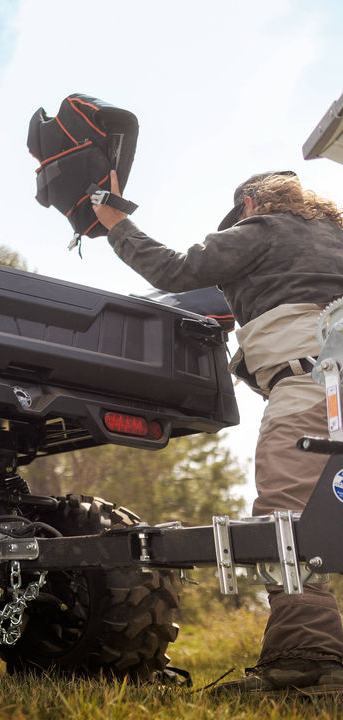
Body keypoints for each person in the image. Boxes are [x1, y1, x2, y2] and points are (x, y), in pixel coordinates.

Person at [94, 169, 343, 695]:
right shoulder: (335, 237)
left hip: (314, 387)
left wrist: (115, 222)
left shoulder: (266, 226)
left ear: (251, 203)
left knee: (290, 521)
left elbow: (173, 268)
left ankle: (307, 663)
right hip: (328, 378)